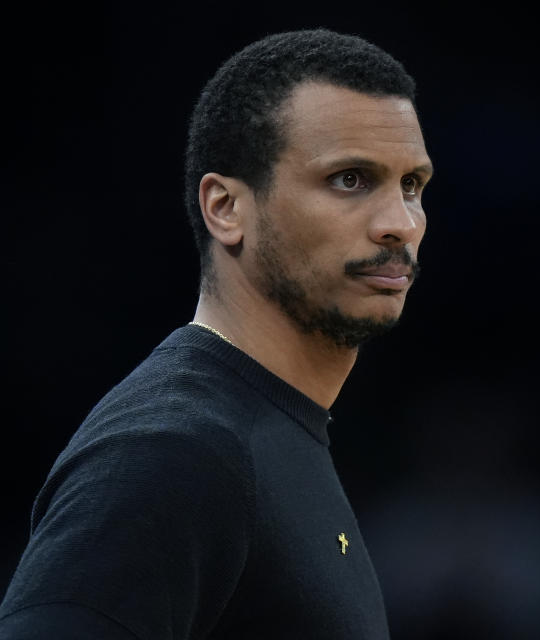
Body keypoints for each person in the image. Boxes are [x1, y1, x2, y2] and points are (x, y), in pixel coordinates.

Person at [0, 28, 432, 639]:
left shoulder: (262, 432)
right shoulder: (174, 453)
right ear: (226, 208)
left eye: (412, 185)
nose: (399, 223)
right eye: (350, 180)